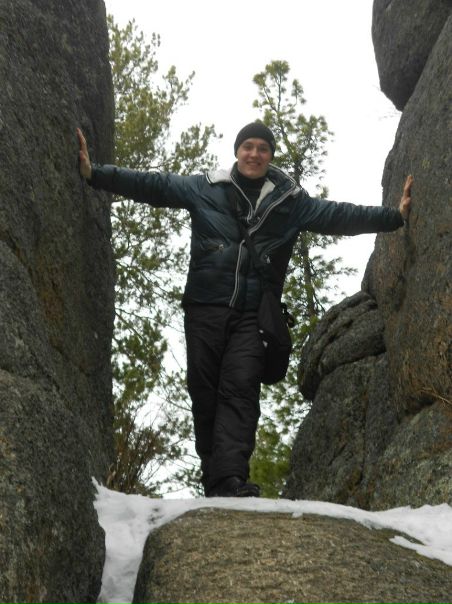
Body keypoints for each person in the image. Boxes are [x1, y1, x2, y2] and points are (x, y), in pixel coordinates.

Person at [77, 122, 413, 498]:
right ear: (237, 152)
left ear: (270, 156)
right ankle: (214, 476)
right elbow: (154, 185)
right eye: (248, 146)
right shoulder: (206, 188)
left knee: (240, 391)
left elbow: (339, 215)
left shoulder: (289, 202)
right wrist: (95, 174)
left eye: (262, 148)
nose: (254, 154)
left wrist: (394, 216)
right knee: (204, 393)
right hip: (205, 308)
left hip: (253, 317)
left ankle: (230, 479)